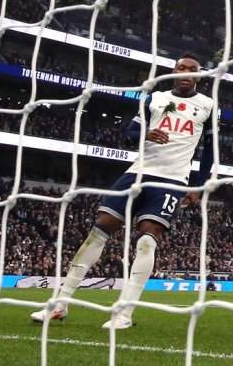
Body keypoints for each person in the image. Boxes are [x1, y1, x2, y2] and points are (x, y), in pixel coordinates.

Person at [30, 55, 217, 329]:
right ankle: (59, 304)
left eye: (192, 70)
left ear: (199, 76)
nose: (186, 72)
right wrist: (146, 135)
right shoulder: (155, 98)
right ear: (173, 72)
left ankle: (124, 315)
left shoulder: (209, 106)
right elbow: (129, 131)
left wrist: (198, 186)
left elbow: (210, 149)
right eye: (181, 68)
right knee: (98, 231)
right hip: (137, 173)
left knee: (147, 241)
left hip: (172, 180)